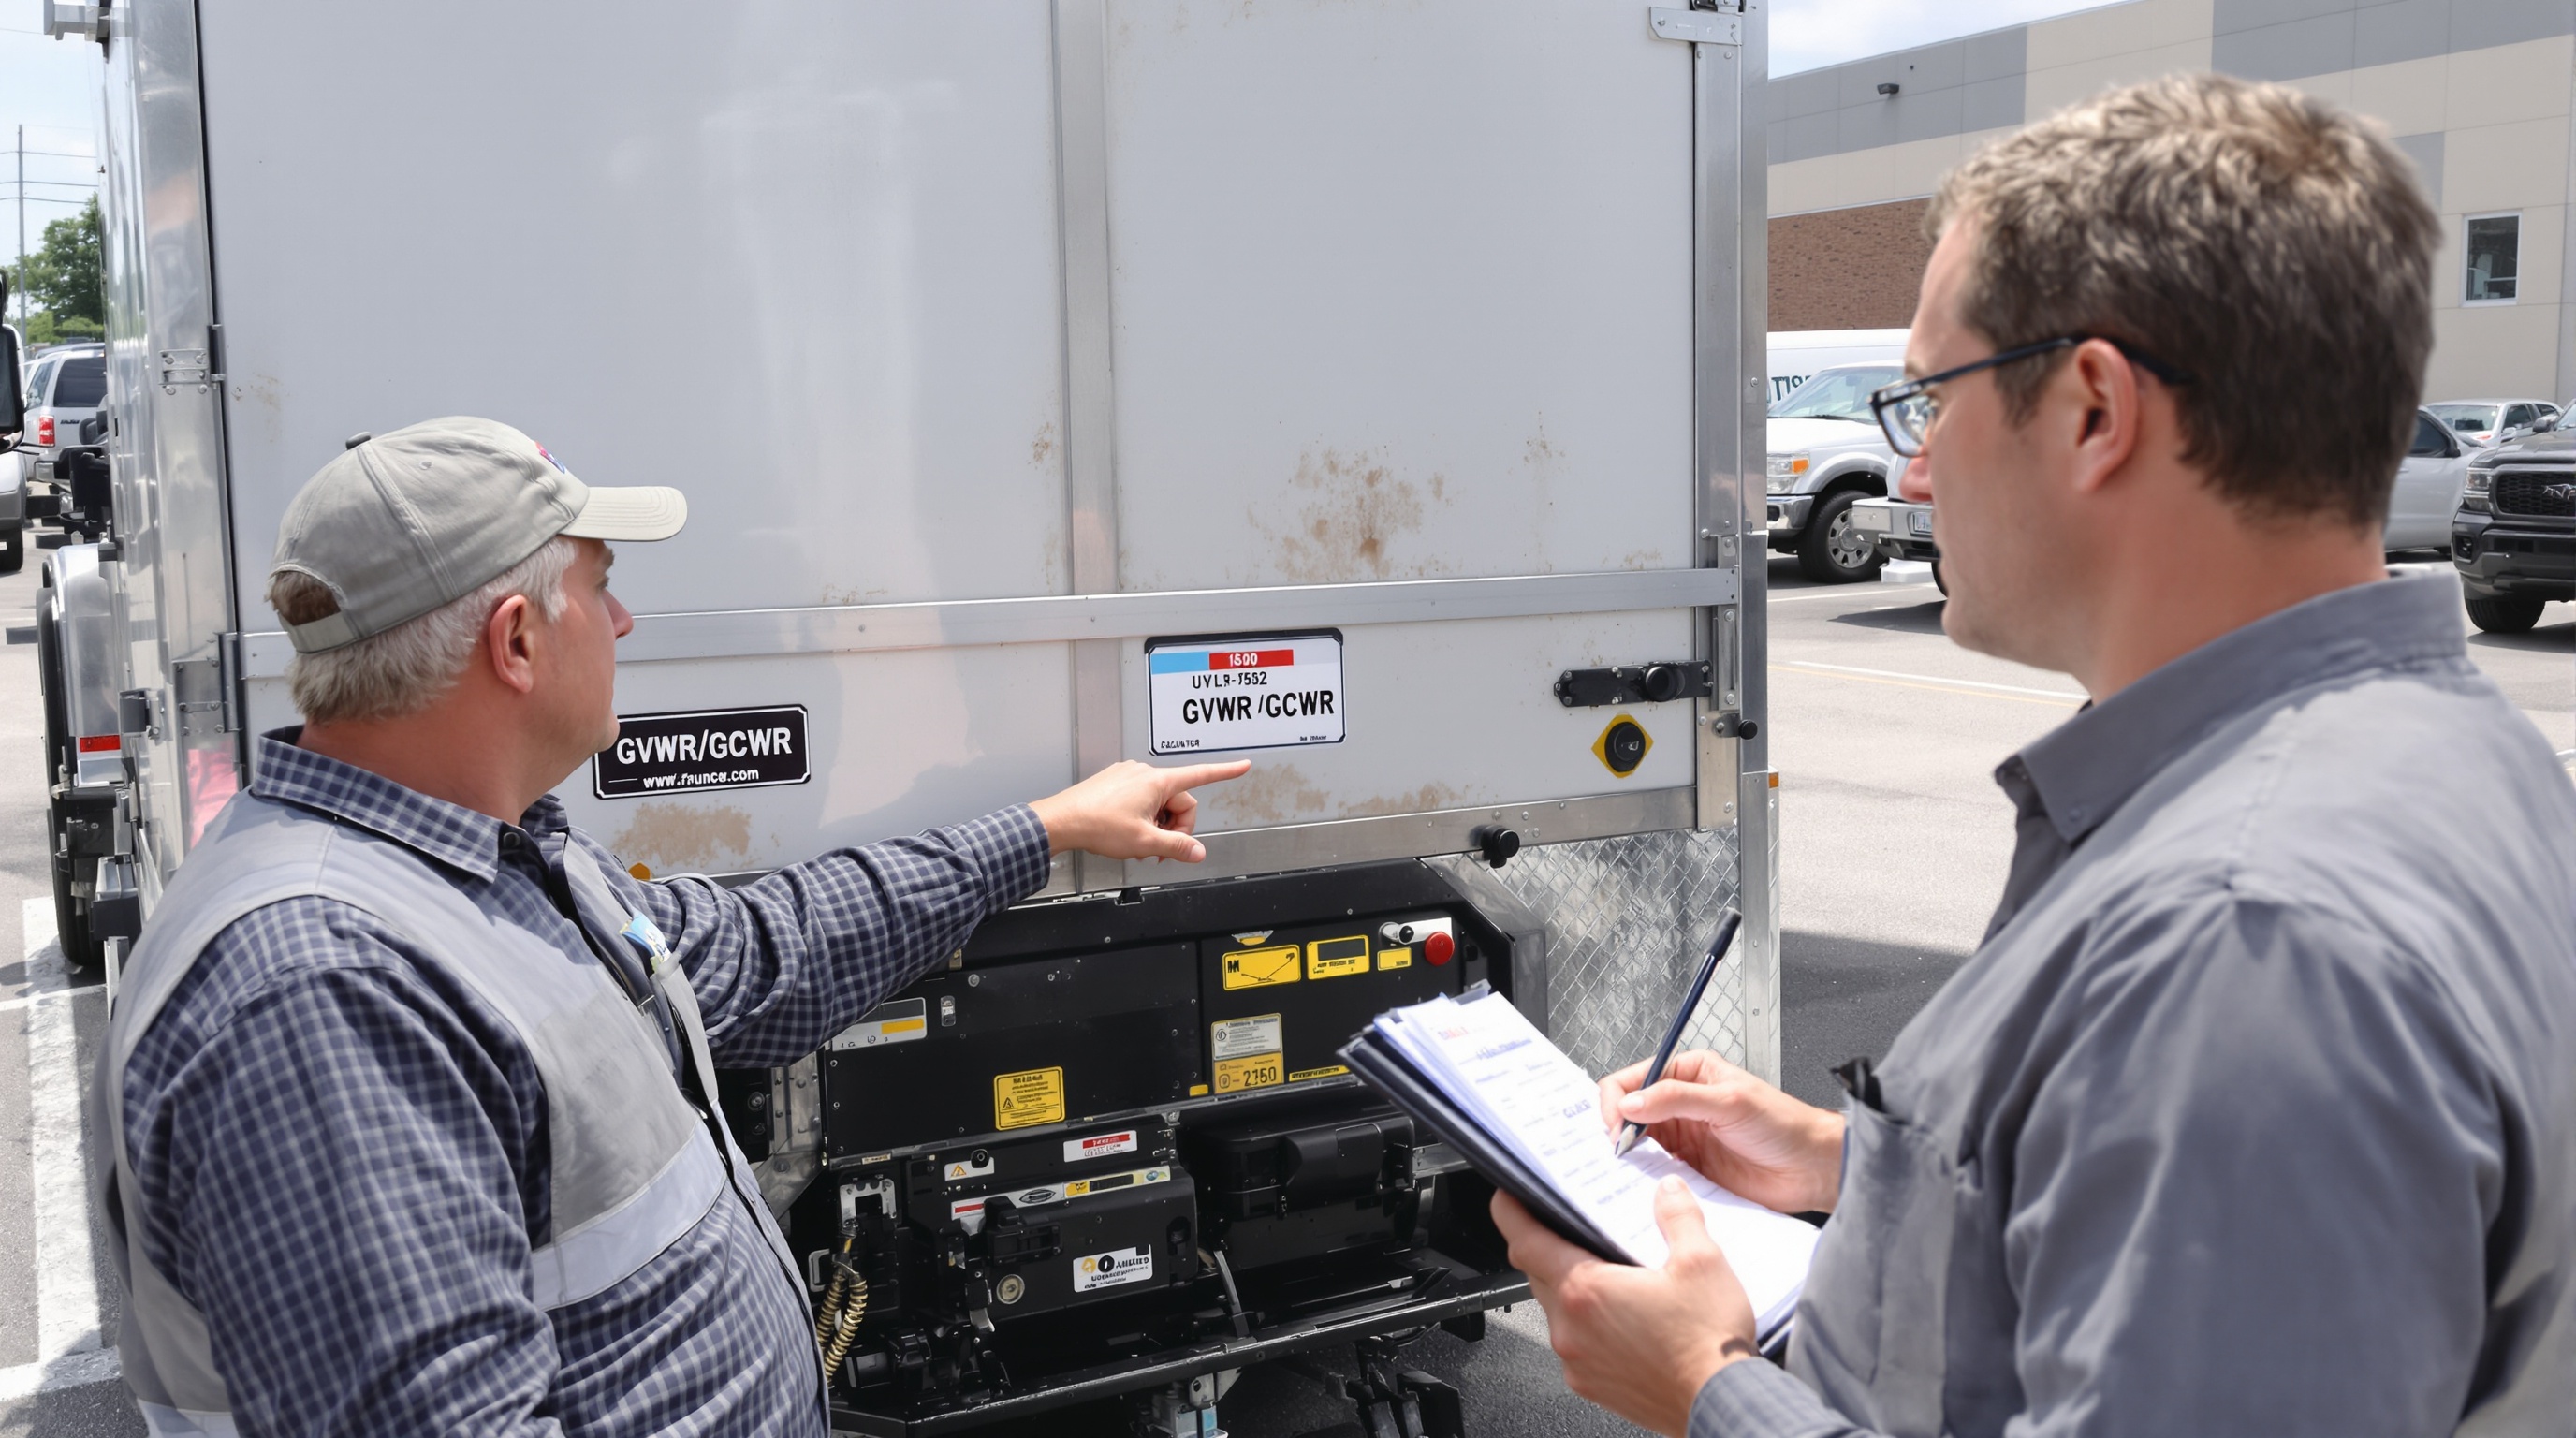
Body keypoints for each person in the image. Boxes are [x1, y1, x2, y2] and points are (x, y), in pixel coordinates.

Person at [1491, 73, 2576, 1438]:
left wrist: (1710, 1393)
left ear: (2093, 409)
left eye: (1930, 398)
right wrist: (1846, 1168)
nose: (1914, 473)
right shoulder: (2453, 759)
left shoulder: (2241, 940)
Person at [97, 416, 1250, 1436]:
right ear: (516, 641)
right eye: (600, 588)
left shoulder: (494, 864)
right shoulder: (320, 992)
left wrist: (1046, 827)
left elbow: (767, 950)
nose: (629, 620)